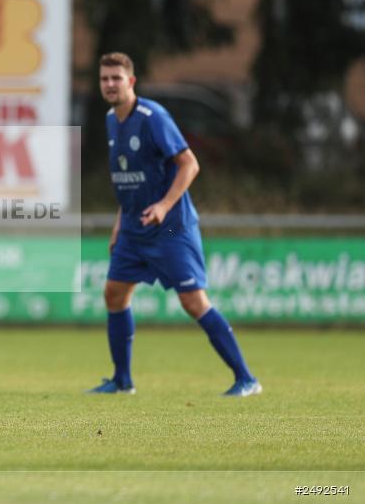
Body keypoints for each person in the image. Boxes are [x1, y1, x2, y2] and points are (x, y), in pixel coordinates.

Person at [90, 51, 262, 397]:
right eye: (104, 78)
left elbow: (189, 164)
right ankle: (122, 381)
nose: (109, 84)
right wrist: (118, 224)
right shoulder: (111, 120)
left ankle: (246, 378)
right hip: (135, 228)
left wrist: (165, 206)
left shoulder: (153, 117)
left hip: (171, 227)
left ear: (131, 82)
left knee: (193, 302)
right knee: (114, 293)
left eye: (116, 78)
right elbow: (129, 180)